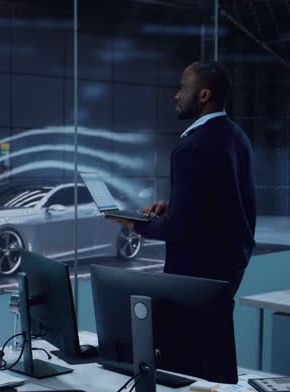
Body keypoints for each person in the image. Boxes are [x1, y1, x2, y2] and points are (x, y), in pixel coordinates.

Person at [107, 61, 256, 295]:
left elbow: (179, 229)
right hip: (229, 269)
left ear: (204, 95)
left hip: (196, 275)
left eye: (183, 89)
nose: (176, 96)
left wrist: (135, 224)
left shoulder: (193, 147)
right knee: (217, 330)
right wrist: (175, 208)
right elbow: (222, 204)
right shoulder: (237, 137)